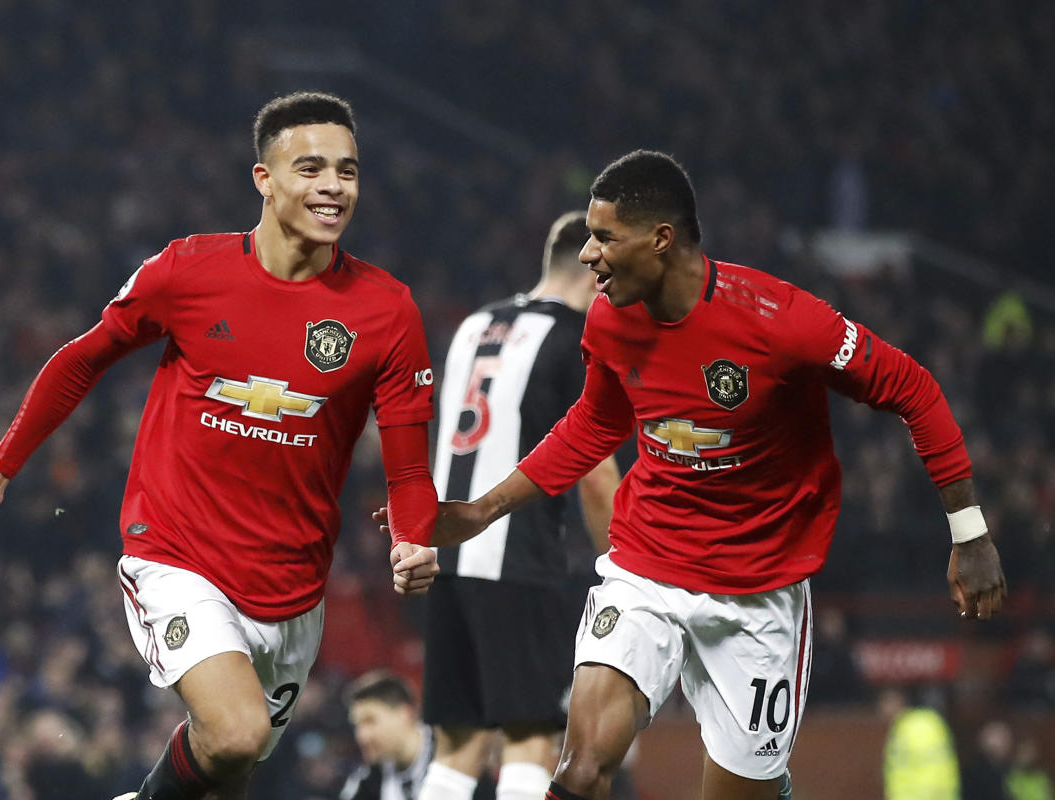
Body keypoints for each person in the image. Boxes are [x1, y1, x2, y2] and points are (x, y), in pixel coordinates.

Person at [378, 150, 1006, 800]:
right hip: (648, 567)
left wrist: (969, 534)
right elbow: (593, 425)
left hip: (760, 591)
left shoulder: (781, 322)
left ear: (661, 239)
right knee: (582, 766)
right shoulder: (609, 318)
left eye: (604, 238)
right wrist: (483, 510)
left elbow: (915, 389)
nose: (589, 254)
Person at [0, 92, 442, 800]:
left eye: (348, 170)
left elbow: (406, 451)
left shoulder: (386, 309)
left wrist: (415, 536)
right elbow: (82, 359)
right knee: (237, 733)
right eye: (310, 168)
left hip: (294, 585)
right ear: (263, 179)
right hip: (178, 553)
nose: (334, 185)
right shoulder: (189, 272)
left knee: (229, 769)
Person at [419, 212, 621, 800]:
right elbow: (594, 468)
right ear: (593, 271)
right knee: (532, 736)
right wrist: (623, 568)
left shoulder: (474, 325)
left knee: (458, 744)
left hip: (447, 557)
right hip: (518, 558)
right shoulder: (575, 337)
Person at [341, 670, 492, 800]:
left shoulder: (454, 759)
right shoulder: (368, 781)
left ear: (404, 714)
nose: (362, 736)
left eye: (370, 721)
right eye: (357, 725)